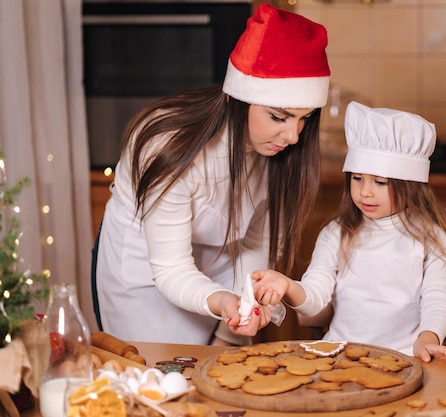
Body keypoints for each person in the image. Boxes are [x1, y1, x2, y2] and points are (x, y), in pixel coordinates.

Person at [91, 4, 331, 345]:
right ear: (240, 99)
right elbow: (172, 269)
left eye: (304, 119)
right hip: (146, 274)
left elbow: (256, 244)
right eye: (279, 117)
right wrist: (222, 302)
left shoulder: (279, 154)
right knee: (157, 377)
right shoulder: (169, 148)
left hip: (219, 269)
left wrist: (231, 327)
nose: (293, 136)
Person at [252, 101, 446, 363]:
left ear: (411, 186)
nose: (365, 191)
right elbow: (316, 298)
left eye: (380, 182)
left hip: (404, 358)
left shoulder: (430, 239)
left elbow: (437, 298)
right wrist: (287, 285)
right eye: (357, 178)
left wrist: (428, 339)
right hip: (339, 356)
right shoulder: (336, 234)